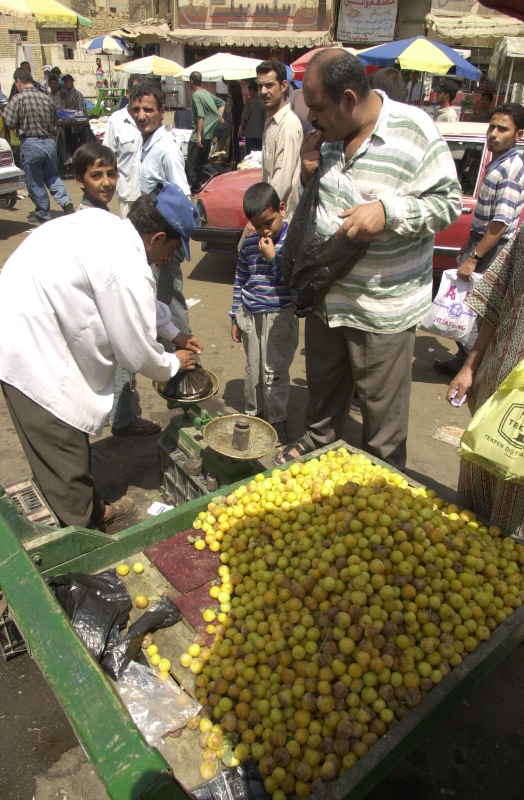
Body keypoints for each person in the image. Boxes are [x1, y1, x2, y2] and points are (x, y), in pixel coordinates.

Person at [274, 49, 462, 470]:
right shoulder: (326, 137)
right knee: (323, 396)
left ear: (348, 99)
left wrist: (387, 211)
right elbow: (317, 207)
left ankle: (383, 483)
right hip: (328, 301)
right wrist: (309, 172)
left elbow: (447, 204)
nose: (313, 119)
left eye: (318, 109)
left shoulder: (414, 130)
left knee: (382, 422)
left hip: (382, 309)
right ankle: (318, 449)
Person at [0, 184, 202, 531]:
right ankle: (82, 535)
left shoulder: (107, 227)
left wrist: (174, 333)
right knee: (63, 449)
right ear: (155, 237)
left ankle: (84, 510)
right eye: (172, 248)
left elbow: (135, 304)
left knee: (67, 446)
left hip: (31, 322)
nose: (171, 258)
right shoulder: (128, 266)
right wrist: (173, 362)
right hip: (29, 349)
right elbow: (136, 351)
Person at [434, 102, 524, 376]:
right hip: (481, 240)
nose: (494, 133)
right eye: (492, 126)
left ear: (518, 134)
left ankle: (473, 368)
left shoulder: (509, 168)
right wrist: (468, 246)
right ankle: (464, 360)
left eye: (502, 129)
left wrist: (474, 257)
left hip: (493, 248)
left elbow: (500, 222)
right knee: (468, 306)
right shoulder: (498, 162)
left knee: (476, 309)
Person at [446, 225, 524, 537]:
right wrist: (470, 365)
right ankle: (471, 543)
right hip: (500, 372)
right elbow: (496, 300)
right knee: (482, 459)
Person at [230, 182, 299, 445]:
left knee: (275, 372)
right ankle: (254, 414)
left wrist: (272, 258)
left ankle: (277, 420)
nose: (264, 230)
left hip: (280, 318)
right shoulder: (249, 245)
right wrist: (234, 314)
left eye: (269, 222)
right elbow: (240, 278)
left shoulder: (292, 242)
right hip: (250, 315)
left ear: (282, 208)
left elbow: (294, 281)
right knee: (253, 369)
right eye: (257, 226)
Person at [129, 80, 193, 336]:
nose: (141, 116)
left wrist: (169, 247)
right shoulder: (144, 143)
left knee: (169, 304)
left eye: (148, 109)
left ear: (162, 110)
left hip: (164, 243)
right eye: (136, 110)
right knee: (153, 301)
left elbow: (184, 201)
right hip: (150, 240)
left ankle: (187, 366)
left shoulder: (167, 150)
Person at [2, 67, 74, 224]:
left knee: (35, 181)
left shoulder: (18, 99)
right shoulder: (46, 98)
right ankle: (65, 201)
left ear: (18, 81)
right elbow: (55, 120)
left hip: (30, 143)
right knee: (53, 175)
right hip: (49, 142)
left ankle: (43, 213)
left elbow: (9, 121)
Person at [256, 59, 303, 221]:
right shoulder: (271, 120)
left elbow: (281, 182)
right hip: (269, 219)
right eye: (259, 86)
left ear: (283, 86)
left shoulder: (288, 124)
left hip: (279, 223)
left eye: (269, 85)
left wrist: (259, 217)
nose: (263, 91)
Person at [103, 73, 142, 219]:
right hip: (127, 192)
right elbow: (108, 156)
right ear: (127, 93)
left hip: (149, 195)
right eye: (136, 92)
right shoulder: (116, 120)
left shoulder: (149, 120)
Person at [185, 71, 225, 196]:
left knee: (191, 166)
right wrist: (219, 116)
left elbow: (200, 116)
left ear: (191, 81)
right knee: (203, 163)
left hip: (200, 136)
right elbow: (222, 103)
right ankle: (218, 178)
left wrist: (198, 137)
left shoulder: (196, 95)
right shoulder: (206, 93)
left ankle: (196, 189)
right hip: (208, 135)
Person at [73, 142, 118, 211]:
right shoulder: (89, 219)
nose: (107, 183)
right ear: (80, 180)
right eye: (96, 176)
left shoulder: (104, 214)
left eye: (111, 174)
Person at [239, 81, 266, 154]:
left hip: (250, 132)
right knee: (260, 155)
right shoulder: (263, 102)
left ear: (253, 90)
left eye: (249, 90)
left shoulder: (249, 101)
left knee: (249, 155)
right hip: (260, 132)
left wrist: (241, 129)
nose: (249, 92)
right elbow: (265, 118)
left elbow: (244, 117)